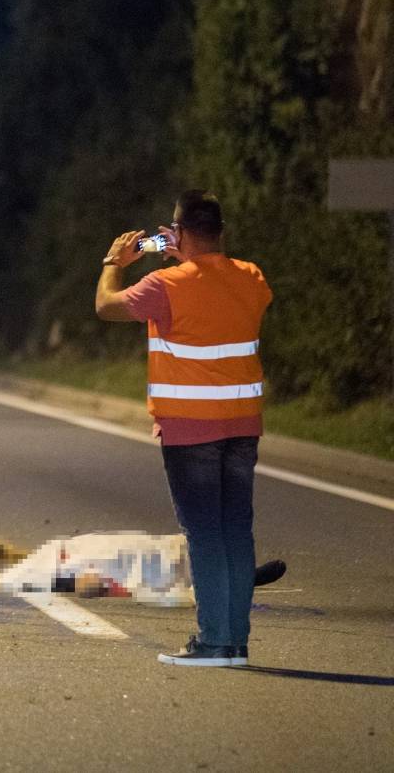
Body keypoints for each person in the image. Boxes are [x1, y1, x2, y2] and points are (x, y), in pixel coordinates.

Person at [95, 190, 272, 668]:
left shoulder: (164, 284)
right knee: (236, 529)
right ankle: (234, 641)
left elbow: (106, 306)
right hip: (242, 427)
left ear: (179, 231)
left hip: (190, 430)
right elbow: (219, 288)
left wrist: (115, 261)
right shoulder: (253, 277)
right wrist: (195, 258)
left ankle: (214, 642)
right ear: (221, 231)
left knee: (204, 534)